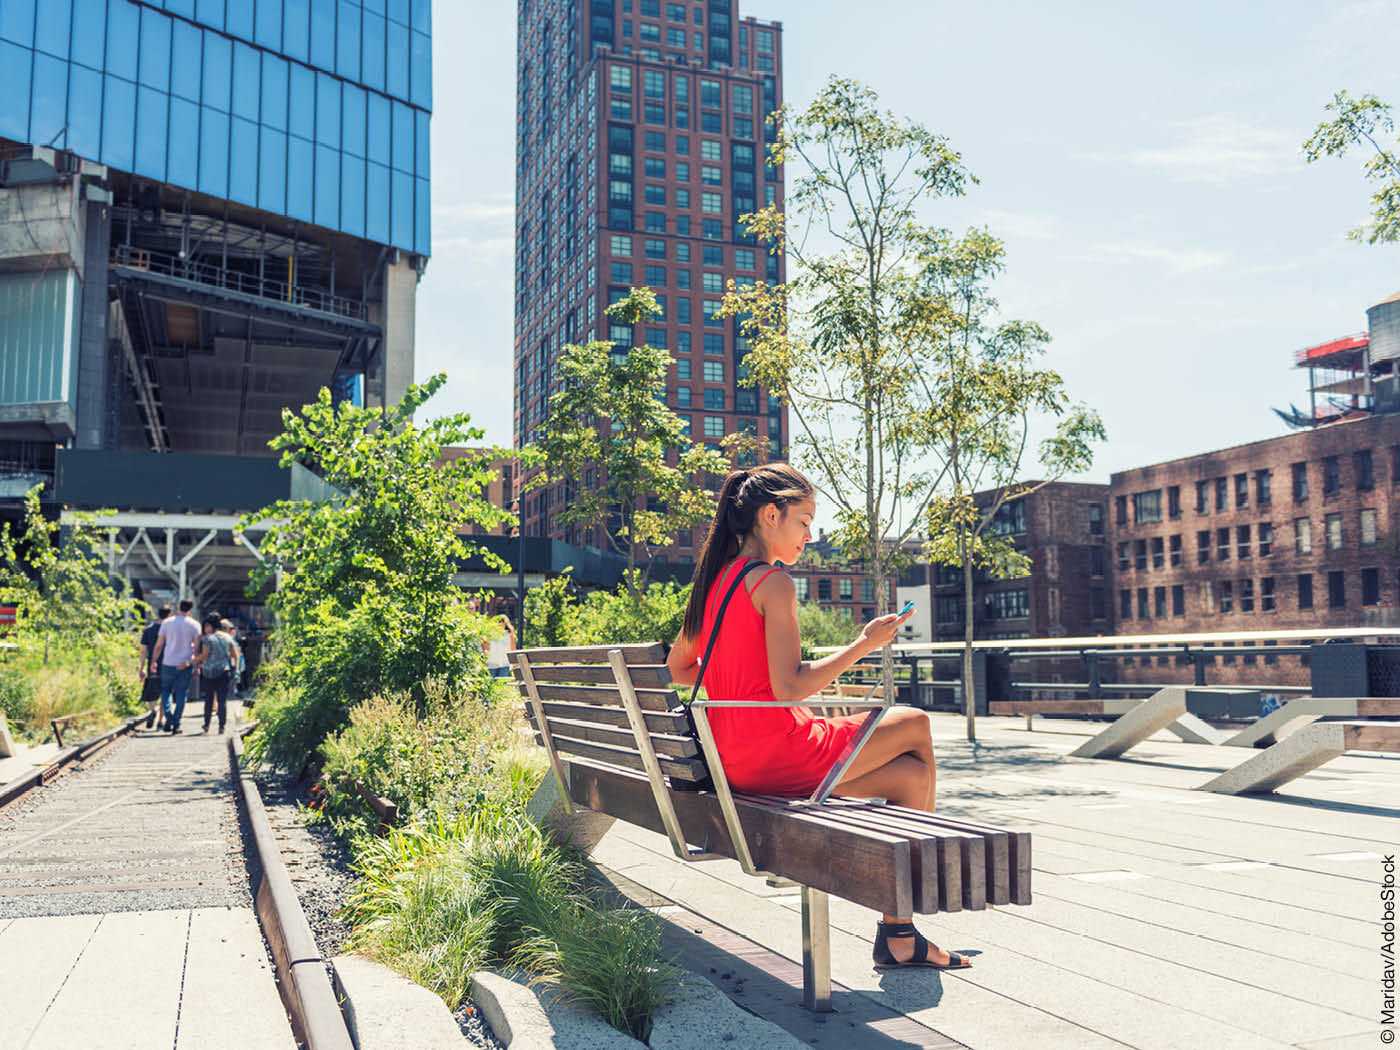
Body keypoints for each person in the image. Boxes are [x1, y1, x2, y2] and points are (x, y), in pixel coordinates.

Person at [665, 464, 970, 971]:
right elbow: (790, 687)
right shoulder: (772, 583)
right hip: (778, 752)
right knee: (914, 721)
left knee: (911, 776)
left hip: (734, 759)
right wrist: (866, 644)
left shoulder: (714, 581)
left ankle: (900, 935)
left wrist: (734, 680)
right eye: (804, 520)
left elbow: (679, 667)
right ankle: (917, 897)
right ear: (770, 515)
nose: (810, 534)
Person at [152, 599, 201, 734]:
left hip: (168, 662)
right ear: (190, 610)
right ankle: (176, 723)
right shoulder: (195, 625)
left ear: (178, 607)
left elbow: (159, 645)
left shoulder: (167, 623)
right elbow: (196, 649)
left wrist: (153, 661)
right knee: (181, 694)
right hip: (185, 664)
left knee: (166, 692)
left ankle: (169, 717)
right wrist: (196, 665)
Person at [194, 615, 240, 734]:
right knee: (222, 700)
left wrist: (191, 662)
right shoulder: (227, 637)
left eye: (207, 626)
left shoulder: (208, 639)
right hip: (224, 672)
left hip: (209, 672)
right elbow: (236, 655)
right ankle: (221, 726)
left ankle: (207, 724)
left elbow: (204, 656)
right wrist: (235, 667)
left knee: (209, 699)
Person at [139, 605, 172, 729]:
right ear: (169, 615)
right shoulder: (169, 630)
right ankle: (160, 721)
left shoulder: (148, 630)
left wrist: (141, 668)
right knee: (165, 692)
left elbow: (143, 651)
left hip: (152, 665)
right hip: (168, 665)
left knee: (151, 691)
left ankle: (152, 711)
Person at [485, 614, 516, 678]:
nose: (500, 624)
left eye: (502, 622)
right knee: (490, 685)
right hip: (491, 663)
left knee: (502, 684)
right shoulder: (490, 635)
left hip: (505, 664)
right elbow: (486, 648)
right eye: (498, 622)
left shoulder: (509, 635)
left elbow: (513, 649)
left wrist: (515, 663)